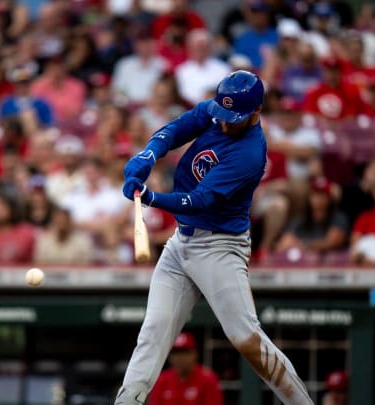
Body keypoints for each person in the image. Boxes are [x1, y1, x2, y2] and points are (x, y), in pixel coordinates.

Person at [116, 71, 312, 405]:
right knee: (153, 332)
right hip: (182, 243)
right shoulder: (220, 110)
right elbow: (177, 129)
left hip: (219, 247)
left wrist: (151, 198)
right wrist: (148, 154)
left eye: (232, 118)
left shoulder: (250, 153)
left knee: (246, 339)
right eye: (221, 114)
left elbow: (199, 201)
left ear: (256, 112)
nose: (224, 123)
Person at [149, 332, 223, 404]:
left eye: (184, 352)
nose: (179, 358)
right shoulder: (162, 380)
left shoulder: (208, 379)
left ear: (195, 354)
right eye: (175, 353)